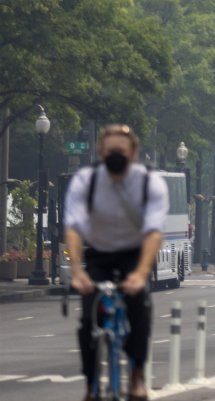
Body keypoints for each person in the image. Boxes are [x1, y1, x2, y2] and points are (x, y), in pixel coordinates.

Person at [63, 124, 168, 401]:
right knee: (87, 318)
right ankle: (90, 383)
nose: (115, 156)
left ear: (133, 153)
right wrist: (77, 272)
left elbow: (154, 232)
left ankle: (137, 376)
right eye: (110, 151)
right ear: (100, 151)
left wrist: (141, 274)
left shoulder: (149, 183)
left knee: (140, 308)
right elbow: (74, 228)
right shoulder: (87, 181)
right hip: (99, 252)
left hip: (135, 253)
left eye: (120, 151)